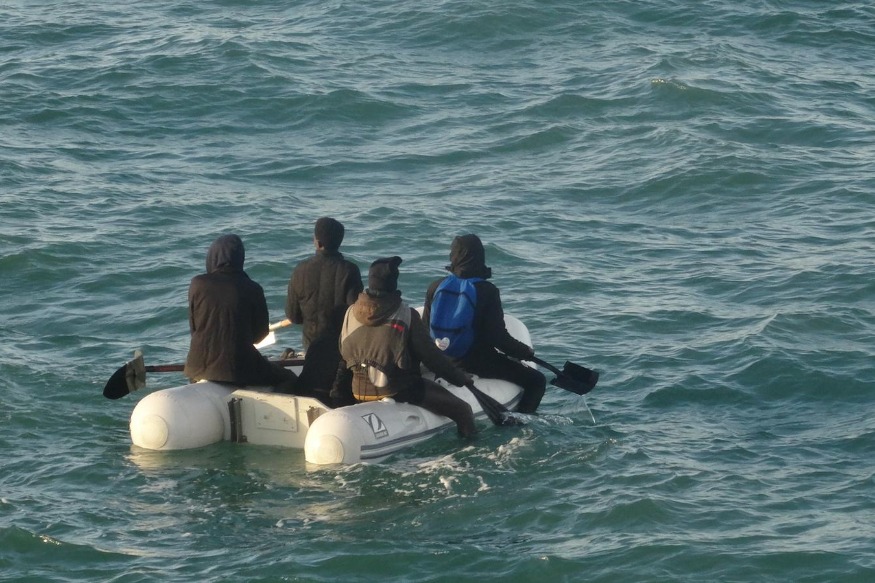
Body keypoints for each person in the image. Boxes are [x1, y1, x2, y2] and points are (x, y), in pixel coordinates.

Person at [331, 256, 477, 438]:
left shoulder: (350, 313)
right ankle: (468, 453)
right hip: (398, 389)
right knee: (463, 411)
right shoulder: (406, 315)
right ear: (393, 284)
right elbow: (432, 358)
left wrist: (337, 395)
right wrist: (460, 379)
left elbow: (344, 357)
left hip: (358, 390)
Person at [422, 234, 546, 414]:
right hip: (475, 362)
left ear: (454, 256)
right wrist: (524, 352)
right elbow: (497, 338)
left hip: (442, 360)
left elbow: (424, 330)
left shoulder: (435, 286)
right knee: (537, 381)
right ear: (480, 257)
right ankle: (521, 426)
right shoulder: (487, 291)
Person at [184, 234, 298, 393]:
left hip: (197, 367)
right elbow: (260, 334)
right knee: (289, 378)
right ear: (240, 258)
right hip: (238, 368)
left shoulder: (197, 284)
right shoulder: (253, 288)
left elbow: (194, 329)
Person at [282, 217, 363, 396]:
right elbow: (356, 314)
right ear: (339, 242)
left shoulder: (300, 270)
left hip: (311, 346)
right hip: (341, 348)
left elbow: (293, 316)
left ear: (317, 242)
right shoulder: (350, 270)